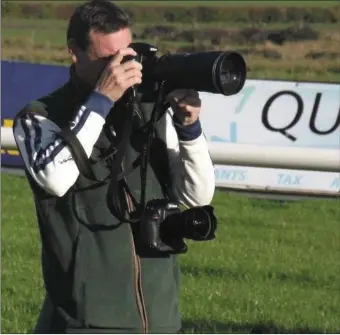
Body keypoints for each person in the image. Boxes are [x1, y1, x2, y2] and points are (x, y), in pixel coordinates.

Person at [13, 0, 215, 333]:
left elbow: (197, 195)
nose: (121, 67)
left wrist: (189, 128)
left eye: (127, 55)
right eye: (108, 59)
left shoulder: (150, 109)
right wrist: (101, 100)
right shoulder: (40, 117)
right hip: (86, 321)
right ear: (74, 52)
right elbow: (56, 179)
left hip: (161, 317)